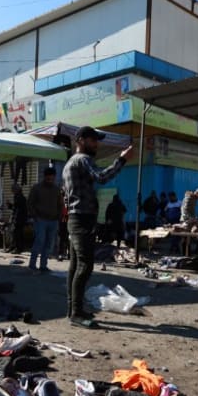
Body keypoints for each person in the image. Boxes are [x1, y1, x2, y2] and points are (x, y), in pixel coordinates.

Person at [62, 126, 133, 327]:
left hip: (76, 218)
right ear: (81, 140)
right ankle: (75, 313)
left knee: (76, 266)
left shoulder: (69, 163)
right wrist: (122, 159)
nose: (97, 144)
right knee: (85, 265)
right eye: (93, 140)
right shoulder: (83, 160)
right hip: (82, 219)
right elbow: (102, 177)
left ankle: (73, 309)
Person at [27, 166, 61, 272]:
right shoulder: (36, 188)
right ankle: (32, 264)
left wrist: (58, 216)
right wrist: (34, 216)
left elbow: (60, 204)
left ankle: (43, 266)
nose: (50, 181)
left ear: (54, 178)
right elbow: (30, 203)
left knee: (49, 244)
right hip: (40, 219)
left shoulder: (56, 189)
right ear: (44, 177)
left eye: (52, 179)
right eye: (48, 179)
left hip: (53, 220)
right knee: (39, 241)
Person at [9, 182, 28, 253]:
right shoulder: (19, 196)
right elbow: (15, 207)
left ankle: (18, 248)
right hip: (19, 218)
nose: (12, 191)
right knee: (16, 233)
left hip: (19, 218)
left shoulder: (19, 197)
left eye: (13, 189)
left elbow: (17, 208)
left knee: (17, 234)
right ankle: (14, 247)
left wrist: (11, 206)